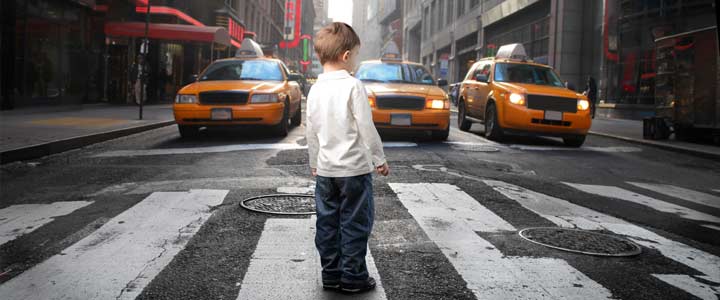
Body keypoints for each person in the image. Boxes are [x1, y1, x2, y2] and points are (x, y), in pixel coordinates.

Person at [306, 22, 389, 294]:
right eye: (354, 54)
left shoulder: (315, 89)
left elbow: (312, 130)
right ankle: (353, 277)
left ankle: (330, 275)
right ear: (345, 56)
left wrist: (315, 163)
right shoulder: (353, 86)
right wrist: (379, 158)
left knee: (327, 224)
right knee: (354, 223)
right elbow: (366, 127)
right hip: (353, 170)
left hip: (326, 172)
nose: (355, 59)